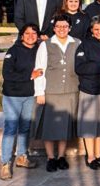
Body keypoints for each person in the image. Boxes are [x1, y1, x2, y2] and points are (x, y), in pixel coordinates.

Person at [31, 14, 80, 172]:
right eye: (58, 26)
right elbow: (39, 69)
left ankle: (61, 156)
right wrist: (40, 92)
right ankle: (51, 157)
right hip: (51, 91)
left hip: (71, 91)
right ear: (54, 28)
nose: (61, 29)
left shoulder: (77, 43)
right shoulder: (46, 45)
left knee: (65, 127)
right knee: (49, 127)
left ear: (70, 28)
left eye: (65, 26)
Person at [0, 24, 41, 180]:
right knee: (11, 128)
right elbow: (7, 74)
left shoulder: (39, 50)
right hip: (13, 96)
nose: (30, 36)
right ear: (22, 36)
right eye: (27, 33)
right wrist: (30, 75)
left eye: (34, 33)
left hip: (29, 95)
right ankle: (5, 163)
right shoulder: (13, 51)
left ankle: (22, 157)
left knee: (25, 128)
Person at [75, 16, 100, 170]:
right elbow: (79, 68)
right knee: (90, 125)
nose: (99, 32)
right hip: (90, 90)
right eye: (96, 29)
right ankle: (91, 157)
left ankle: (98, 154)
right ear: (91, 30)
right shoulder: (84, 45)